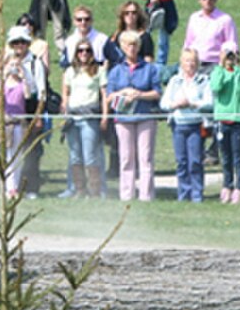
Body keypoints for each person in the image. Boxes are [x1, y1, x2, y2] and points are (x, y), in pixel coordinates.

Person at [105, 31, 162, 202]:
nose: (132, 48)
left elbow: (157, 92)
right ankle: (126, 194)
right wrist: (122, 93)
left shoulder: (149, 69)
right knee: (126, 157)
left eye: (135, 44)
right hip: (123, 119)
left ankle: (146, 195)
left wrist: (139, 95)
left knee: (145, 158)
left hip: (145, 117)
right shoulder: (116, 71)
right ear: (122, 47)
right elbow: (109, 97)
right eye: (128, 45)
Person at [0, 26, 45, 197]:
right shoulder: (7, 64)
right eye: (15, 42)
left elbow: (40, 91)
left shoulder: (35, 63)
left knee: (32, 151)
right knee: (10, 152)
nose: (19, 45)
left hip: (31, 108)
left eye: (22, 42)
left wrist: (38, 116)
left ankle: (31, 187)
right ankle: (10, 187)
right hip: (12, 111)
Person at [160, 48, 212, 203]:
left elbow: (209, 102)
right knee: (181, 162)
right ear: (181, 63)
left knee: (195, 161)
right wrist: (176, 104)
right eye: (187, 61)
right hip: (178, 126)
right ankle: (183, 194)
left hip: (196, 125)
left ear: (197, 63)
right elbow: (164, 103)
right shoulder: (175, 81)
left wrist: (192, 104)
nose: (190, 64)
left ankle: (197, 194)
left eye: (193, 61)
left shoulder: (203, 80)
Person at [60, 38, 108, 198]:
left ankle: (95, 191)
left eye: (87, 50)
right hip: (73, 117)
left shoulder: (99, 71)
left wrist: (105, 117)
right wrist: (64, 113)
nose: (84, 53)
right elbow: (65, 94)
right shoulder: (70, 72)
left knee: (90, 156)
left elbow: (104, 95)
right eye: (80, 50)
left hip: (90, 117)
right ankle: (80, 190)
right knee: (75, 156)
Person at [208, 43, 240, 204]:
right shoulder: (217, 72)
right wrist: (221, 65)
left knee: (238, 157)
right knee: (225, 157)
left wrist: (237, 65)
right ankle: (227, 184)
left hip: (238, 120)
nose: (230, 58)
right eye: (228, 55)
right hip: (222, 119)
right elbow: (216, 86)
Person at [183, 0, 238, 74]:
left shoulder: (225, 20)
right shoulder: (194, 18)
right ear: (199, 0)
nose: (208, 0)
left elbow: (232, 44)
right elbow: (188, 43)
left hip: (215, 65)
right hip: (195, 63)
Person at [108, 0, 155, 64]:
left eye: (134, 12)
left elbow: (148, 60)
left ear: (138, 15)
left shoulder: (145, 37)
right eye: (126, 13)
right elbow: (108, 57)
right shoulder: (116, 36)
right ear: (122, 16)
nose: (130, 15)